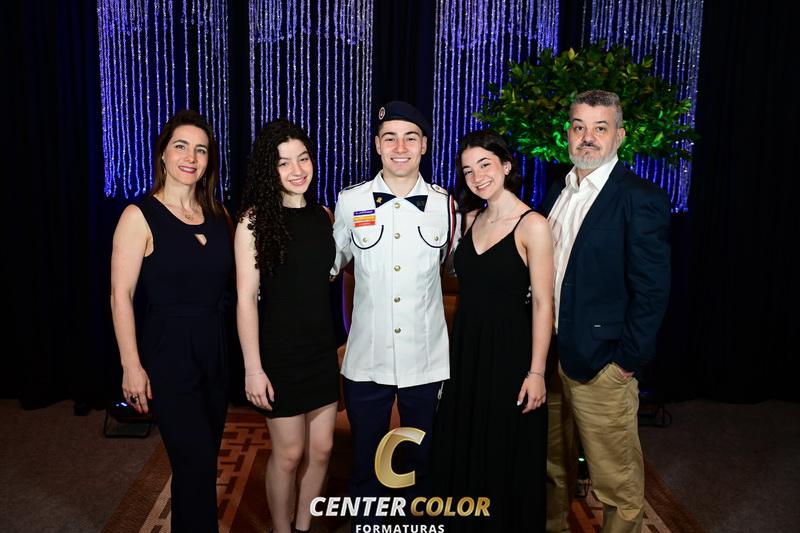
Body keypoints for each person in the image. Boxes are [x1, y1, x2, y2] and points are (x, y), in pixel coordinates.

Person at [542, 90, 671, 533]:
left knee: (616, 483)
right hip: (550, 356)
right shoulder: (559, 190)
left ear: (620, 135)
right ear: (567, 133)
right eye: (579, 127)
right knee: (553, 468)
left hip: (601, 364)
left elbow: (652, 291)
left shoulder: (639, 198)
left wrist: (625, 363)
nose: (588, 137)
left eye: (600, 128)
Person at [331, 101, 459, 526]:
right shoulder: (350, 201)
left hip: (426, 360)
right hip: (367, 359)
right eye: (390, 138)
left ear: (424, 145)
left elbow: (460, 268)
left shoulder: (446, 205)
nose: (400, 147)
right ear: (377, 145)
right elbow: (327, 265)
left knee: (418, 461)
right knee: (366, 461)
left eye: (410, 138)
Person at [110, 109, 233, 533]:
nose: (191, 158)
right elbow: (120, 296)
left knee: (202, 464)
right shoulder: (139, 215)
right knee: (194, 463)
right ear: (163, 154)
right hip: (169, 352)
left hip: (215, 350)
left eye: (201, 150)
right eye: (181, 146)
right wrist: (131, 365)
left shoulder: (219, 214)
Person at [432, 130, 553, 532]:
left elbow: (543, 304)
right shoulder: (470, 219)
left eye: (485, 164)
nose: (477, 176)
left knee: (503, 449)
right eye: (468, 170)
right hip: (467, 350)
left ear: (506, 166)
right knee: (464, 442)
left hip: (510, 354)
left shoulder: (533, 225)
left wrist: (537, 372)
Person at [235, 119, 339, 533]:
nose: (297, 170)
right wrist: (253, 368)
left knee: (323, 450)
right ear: (269, 169)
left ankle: (303, 527)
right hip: (279, 354)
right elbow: (246, 299)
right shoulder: (254, 221)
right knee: (290, 452)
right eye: (284, 162)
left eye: (303, 158)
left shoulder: (324, 216)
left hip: (321, 350)